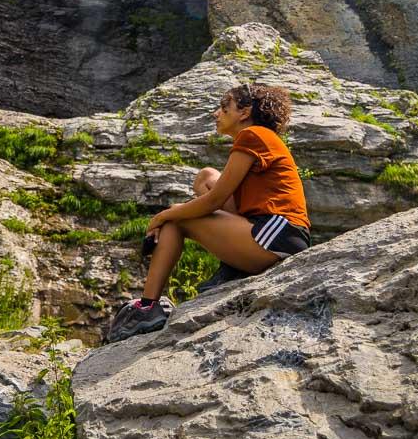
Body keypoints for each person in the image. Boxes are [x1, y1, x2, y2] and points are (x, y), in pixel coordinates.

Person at [107, 82, 310, 343]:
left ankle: (147, 307)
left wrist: (162, 216)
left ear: (244, 112)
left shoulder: (254, 135)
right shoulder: (258, 139)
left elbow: (214, 201)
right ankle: (233, 269)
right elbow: (216, 191)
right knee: (206, 176)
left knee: (178, 221)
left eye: (225, 107)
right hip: (268, 230)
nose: (216, 113)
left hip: (277, 235)